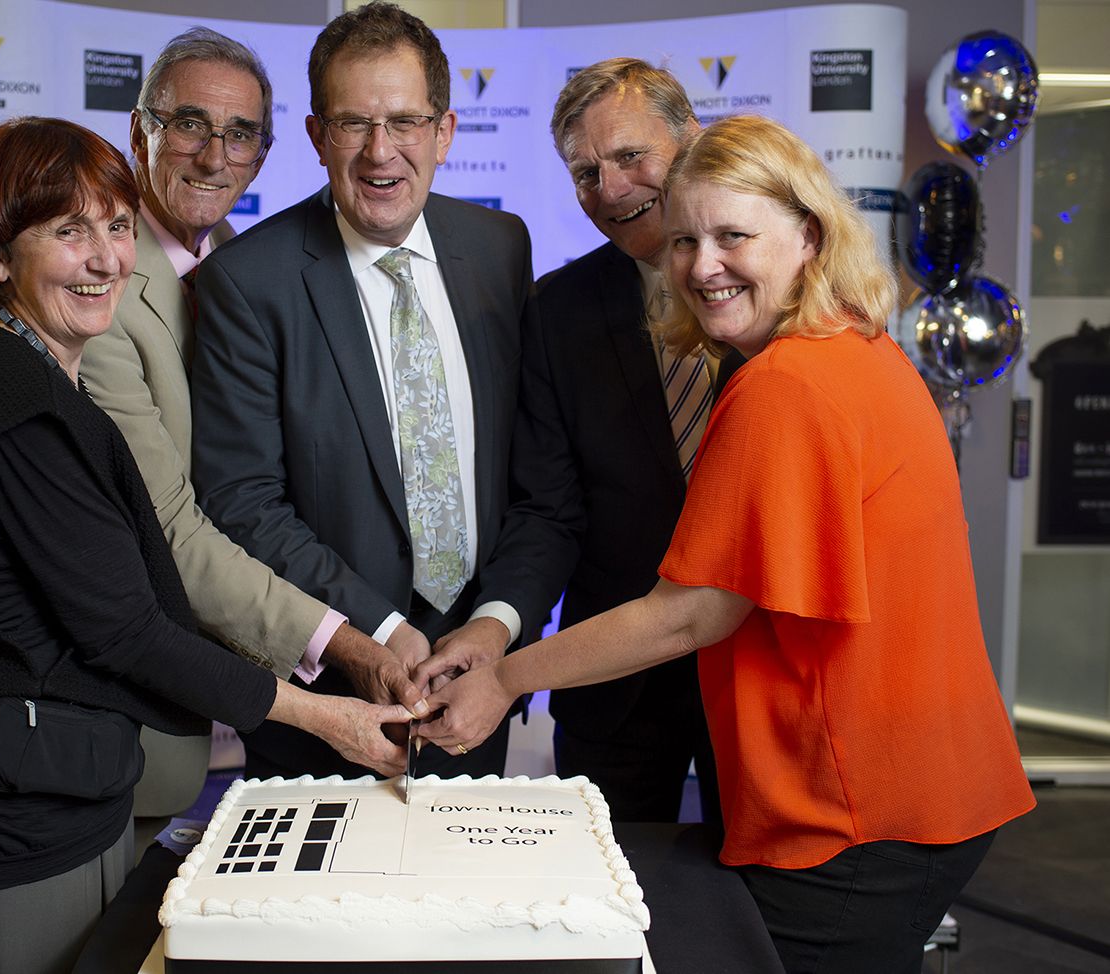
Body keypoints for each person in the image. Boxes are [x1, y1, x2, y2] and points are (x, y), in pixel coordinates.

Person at [415, 114, 1035, 974]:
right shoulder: (855, 344)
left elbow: (690, 616)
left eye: (733, 236)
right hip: (919, 794)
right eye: (684, 241)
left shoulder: (784, 384)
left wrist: (505, 677)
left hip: (854, 814)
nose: (702, 266)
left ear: (809, 232)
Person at [0, 116, 409, 974]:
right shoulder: (18, 415)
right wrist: (332, 717)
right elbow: (127, 631)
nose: (105, 260)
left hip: (54, 785)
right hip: (6, 818)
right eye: (68, 232)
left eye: (118, 226)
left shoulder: (33, 375)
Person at [190, 1, 540, 780]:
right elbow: (243, 500)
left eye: (406, 122)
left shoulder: (501, 248)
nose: (381, 152)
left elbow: (535, 475)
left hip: (480, 684)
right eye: (353, 124)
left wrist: (495, 624)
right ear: (317, 137)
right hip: (331, 702)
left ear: (445, 131)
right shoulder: (248, 283)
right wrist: (377, 628)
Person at [80, 27, 422, 818]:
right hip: (128, 705)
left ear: (264, 156)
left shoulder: (241, 263)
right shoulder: (100, 289)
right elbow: (172, 527)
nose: (213, 155)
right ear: (141, 132)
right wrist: (354, 643)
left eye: (240, 135)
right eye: (190, 124)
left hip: (236, 693)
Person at [464, 58, 733, 824]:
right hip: (614, 690)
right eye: (585, 173)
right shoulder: (557, 312)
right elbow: (550, 508)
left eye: (629, 157)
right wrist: (500, 625)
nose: (610, 190)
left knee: (754, 924)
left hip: (760, 675)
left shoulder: (777, 293)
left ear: (692, 142)